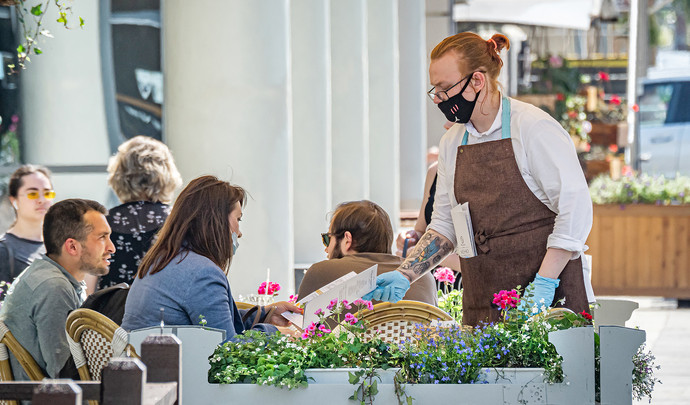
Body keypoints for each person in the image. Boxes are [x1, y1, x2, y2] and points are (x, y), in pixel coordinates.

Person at [365, 32, 592, 326]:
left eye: (445, 89)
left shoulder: (533, 128)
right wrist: (406, 272)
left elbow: (576, 211)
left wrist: (544, 284)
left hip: (549, 297)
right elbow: (446, 223)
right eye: (435, 89)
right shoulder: (452, 143)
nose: (438, 99)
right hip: (482, 296)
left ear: (477, 81)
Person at [122, 175, 301, 341]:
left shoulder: (162, 260)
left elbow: (213, 323)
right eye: (238, 220)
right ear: (216, 221)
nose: (239, 233)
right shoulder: (202, 273)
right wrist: (275, 334)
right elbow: (227, 350)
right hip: (177, 372)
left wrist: (265, 314)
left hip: (148, 369)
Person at [0, 199, 115, 379]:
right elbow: (66, 377)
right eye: (102, 237)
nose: (111, 247)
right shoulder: (53, 287)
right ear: (72, 246)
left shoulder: (51, 277)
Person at [298, 200, 437, 306]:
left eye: (327, 239)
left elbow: (298, 334)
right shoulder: (422, 276)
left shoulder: (321, 272)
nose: (326, 249)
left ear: (347, 239)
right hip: (411, 344)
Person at [96, 135, 182, 291]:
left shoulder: (101, 221)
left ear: (119, 175)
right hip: (160, 311)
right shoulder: (178, 221)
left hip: (107, 313)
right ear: (166, 174)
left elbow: (89, 283)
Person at [0, 165, 55, 287]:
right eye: (33, 194)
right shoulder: (3, 250)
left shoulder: (61, 246)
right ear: (14, 201)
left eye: (47, 193)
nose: (41, 199)